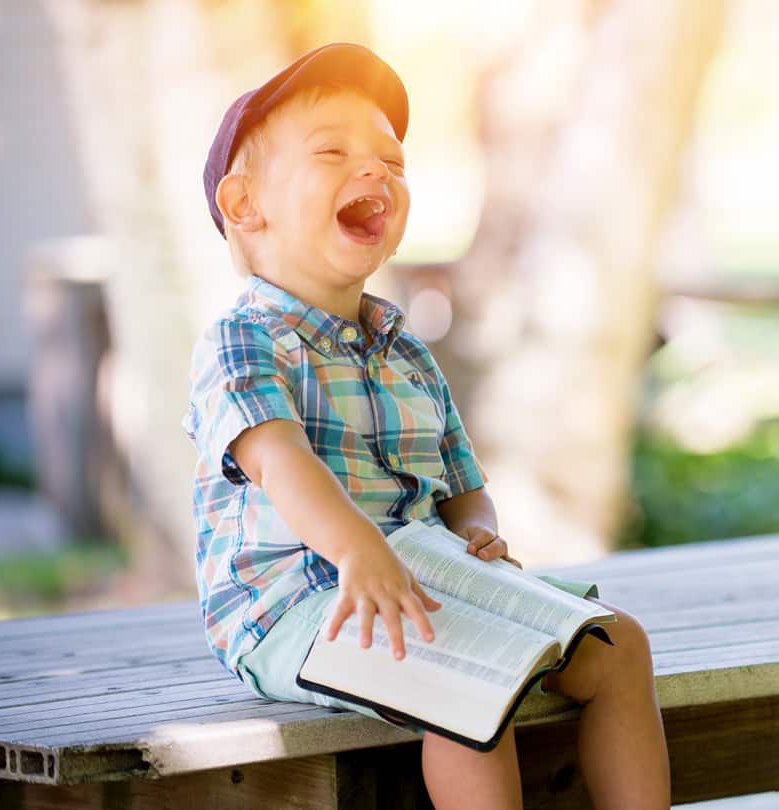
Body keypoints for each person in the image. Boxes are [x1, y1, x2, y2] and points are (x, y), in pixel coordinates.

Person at [183, 43, 670, 809]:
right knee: (469, 683)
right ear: (245, 205)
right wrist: (359, 549)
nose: (376, 170)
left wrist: (477, 531)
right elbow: (279, 458)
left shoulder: (404, 348)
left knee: (617, 646)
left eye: (391, 159)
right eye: (333, 152)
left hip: (422, 572)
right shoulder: (244, 338)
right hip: (293, 605)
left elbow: (461, 483)